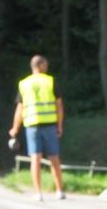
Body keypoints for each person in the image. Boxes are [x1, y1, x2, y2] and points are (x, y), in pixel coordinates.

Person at [9, 55, 65, 201]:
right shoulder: (50, 81)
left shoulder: (24, 84)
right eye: (45, 64)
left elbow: (20, 109)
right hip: (50, 125)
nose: (47, 66)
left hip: (32, 126)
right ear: (40, 65)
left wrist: (15, 128)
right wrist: (60, 125)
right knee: (54, 158)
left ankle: (38, 192)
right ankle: (59, 191)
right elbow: (59, 106)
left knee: (35, 158)